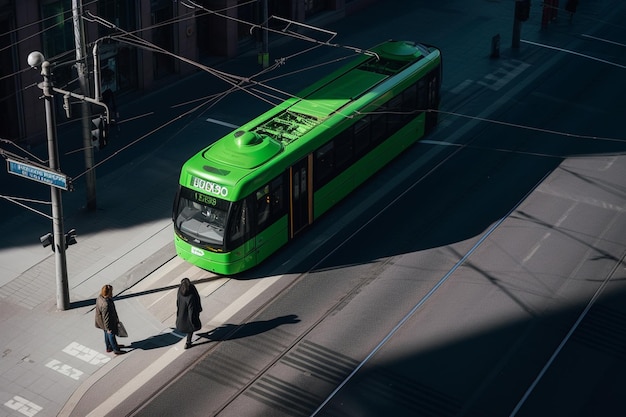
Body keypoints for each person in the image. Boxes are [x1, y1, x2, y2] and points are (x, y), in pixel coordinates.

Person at [95, 284, 125, 355]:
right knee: (111, 334)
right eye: (111, 291)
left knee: (106, 333)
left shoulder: (100, 297)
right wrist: (108, 328)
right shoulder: (106, 304)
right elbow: (106, 317)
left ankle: (108, 347)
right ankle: (116, 349)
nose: (112, 292)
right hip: (107, 322)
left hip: (101, 321)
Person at [176, 278, 202, 349]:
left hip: (182, 312)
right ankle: (188, 342)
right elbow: (192, 309)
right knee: (190, 327)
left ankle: (188, 342)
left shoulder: (179, 290)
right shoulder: (191, 293)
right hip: (191, 313)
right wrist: (193, 321)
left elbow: (177, 302)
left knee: (187, 326)